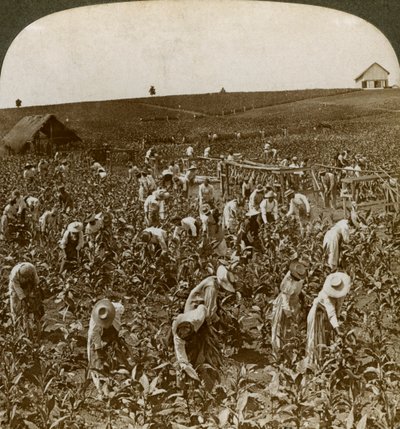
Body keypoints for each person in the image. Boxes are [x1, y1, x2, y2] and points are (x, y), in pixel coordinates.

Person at [172, 265, 235, 390]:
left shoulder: (198, 317)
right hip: (191, 314)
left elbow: (207, 311)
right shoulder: (211, 287)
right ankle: (185, 385)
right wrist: (185, 366)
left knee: (200, 346)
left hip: (195, 313)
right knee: (188, 355)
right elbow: (211, 314)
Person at [305, 272, 351, 366]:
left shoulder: (341, 293)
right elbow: (331, 314)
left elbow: (338, 308)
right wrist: (338, 330)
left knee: (327, 336)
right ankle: (316, 364)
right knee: (317, 339)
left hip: (327, 316)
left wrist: (337, 322)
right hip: (318, 315)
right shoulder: (327, 296)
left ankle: (328, 360)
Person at [87, 299, 131, 396]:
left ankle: (122, 374)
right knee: (96, 361)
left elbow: (121, 313)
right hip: (97, 336)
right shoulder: (94, 324)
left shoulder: (117, 309)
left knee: (117, 353)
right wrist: (99, 350)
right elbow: (95, 338)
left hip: (112, 332)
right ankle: (101, 386)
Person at [271, 261, 307, 353]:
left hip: (294, 302)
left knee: (293, 328)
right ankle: (279, 350)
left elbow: (299, 290)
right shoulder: (287, 283)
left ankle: (291, 350)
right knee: (281, 327)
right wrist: (289, 315)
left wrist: (302, 299)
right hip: (284, 305)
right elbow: (285, 300)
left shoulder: (300, 278)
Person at [8, 262, 43, 334]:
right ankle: (17, 329)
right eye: (24, 277)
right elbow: (17, 288)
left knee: (31, 306)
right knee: (16, 308)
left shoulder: (32, 268)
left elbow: (36, 282)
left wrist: (35, 295)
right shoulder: (15, 274)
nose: (26, 278)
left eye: (27, 277)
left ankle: (31, 327)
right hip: (15, 289)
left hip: (27, 286)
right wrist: (23, 299)